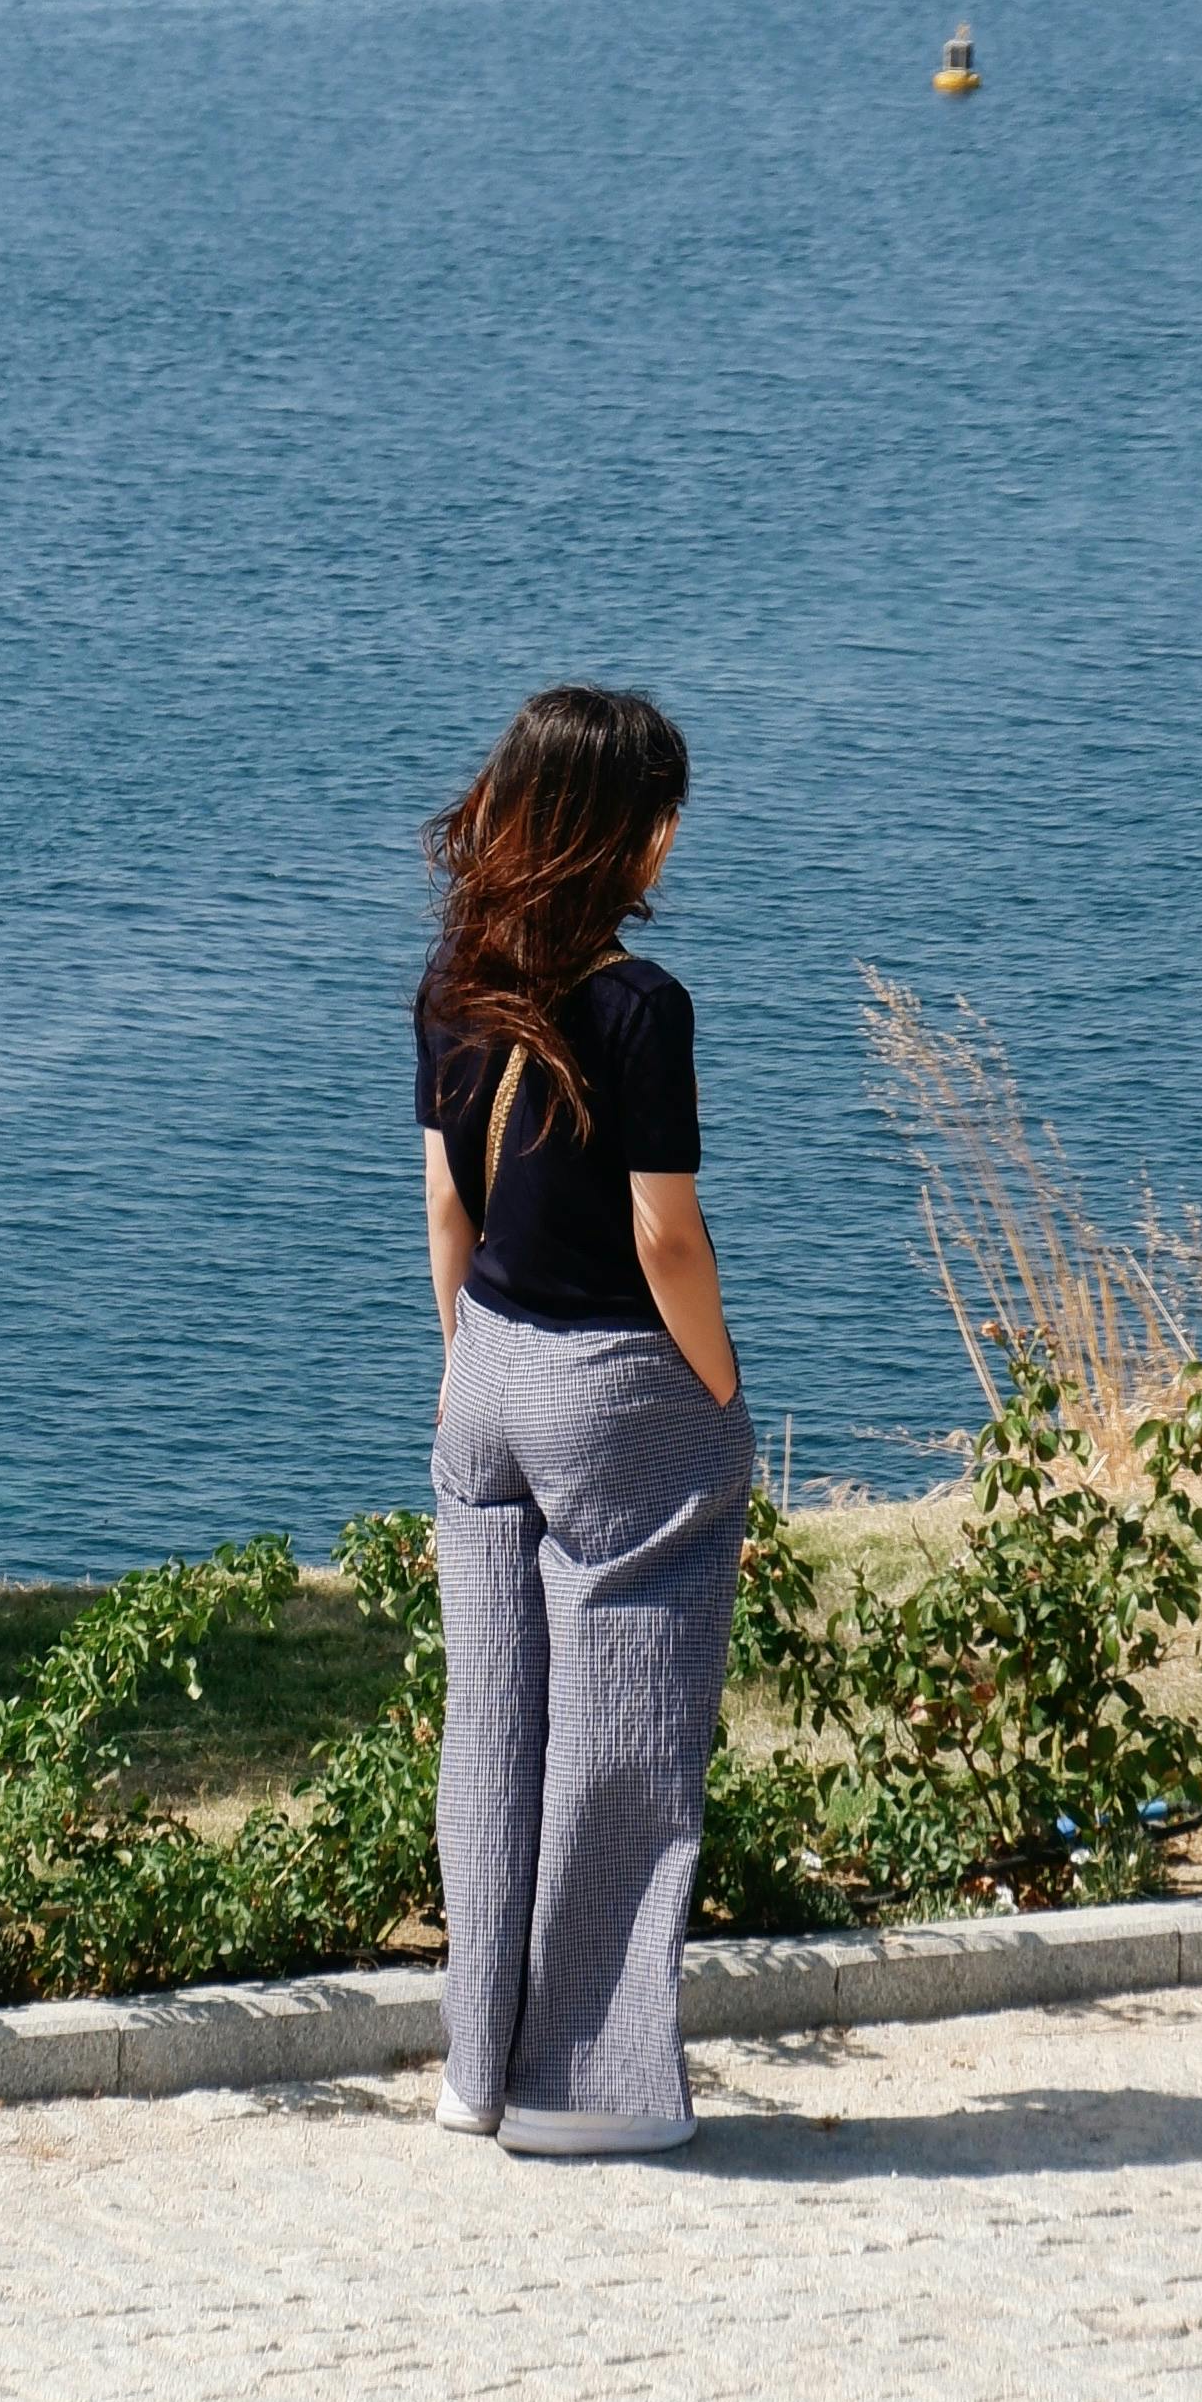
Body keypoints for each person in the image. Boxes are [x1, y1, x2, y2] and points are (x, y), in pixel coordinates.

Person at [413, 682, 754, 2158]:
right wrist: (724, 1391)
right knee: (624, 1731)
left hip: (482, 1369)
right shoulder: (640, 1005)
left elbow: (447, 1201)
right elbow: (664, 1235)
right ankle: (582, 2090)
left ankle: (471, 2068)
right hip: (616, 1384)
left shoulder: (456, 979)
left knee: (489, 1727)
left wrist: (469, 1364)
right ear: (636, 834)